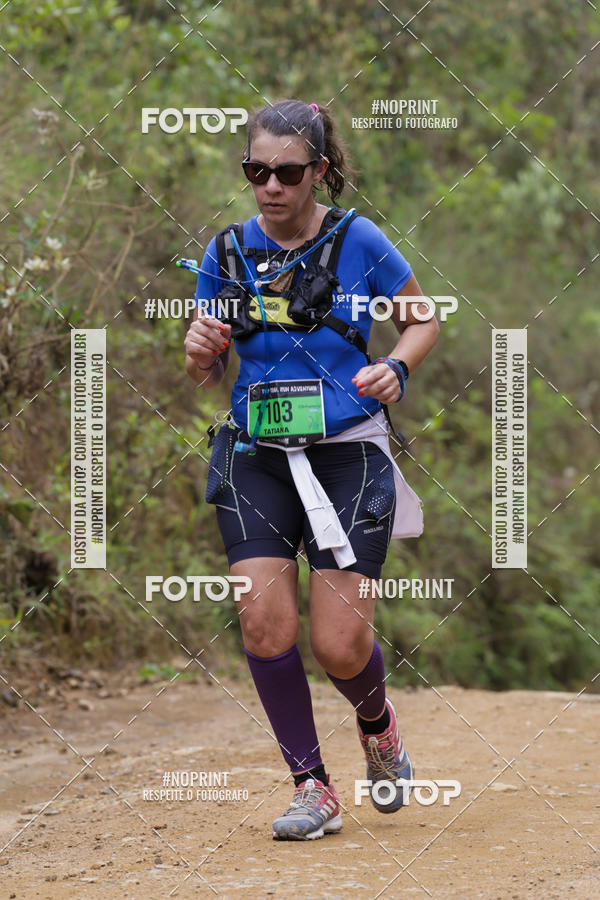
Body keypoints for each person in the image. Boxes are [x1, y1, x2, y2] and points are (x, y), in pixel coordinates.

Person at [183, 99, 439, 841]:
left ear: (319, 171)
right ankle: (312, 787)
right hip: (255, 455)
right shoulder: (225, 251)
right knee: (264, 623)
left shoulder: (359, 239)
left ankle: (377, 725)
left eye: (288, 172)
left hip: (347, 452)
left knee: (339, 644)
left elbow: (422, 319)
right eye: (256, 171)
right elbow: (204, 373)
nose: (271, 186)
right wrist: (200, 351)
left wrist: (396, 367)